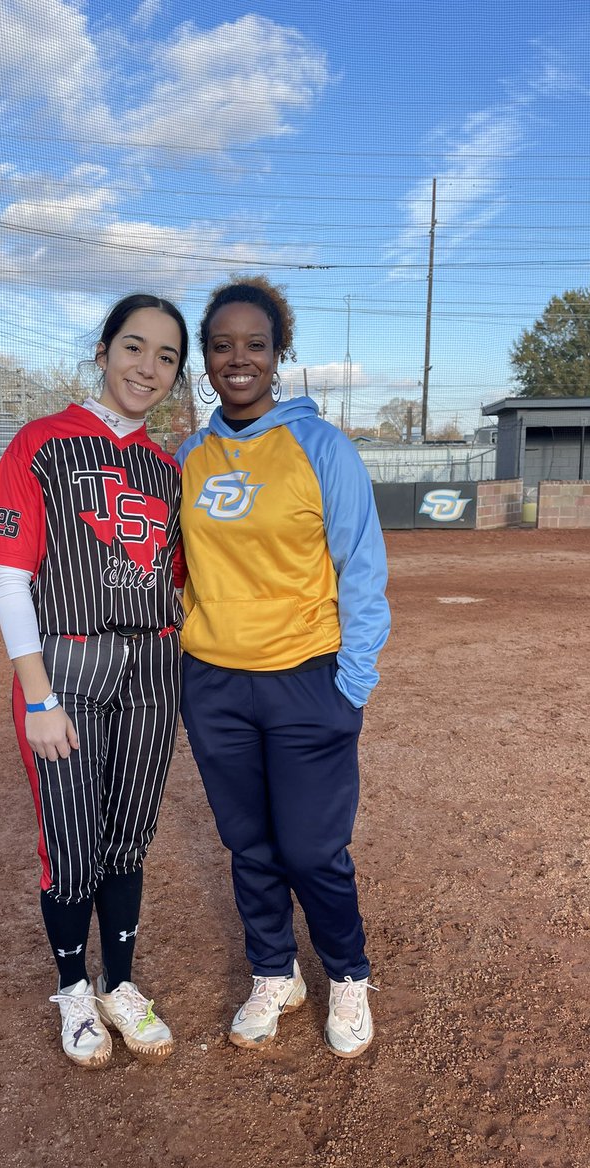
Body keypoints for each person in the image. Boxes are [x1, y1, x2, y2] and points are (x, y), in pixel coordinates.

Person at [0, 294, 189, 1069]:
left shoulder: (168, 469)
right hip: (66, 662)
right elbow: (7, 578)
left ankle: (120, 984)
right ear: (103, 350)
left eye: (166, 357)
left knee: (128, 840)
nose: (148, 367)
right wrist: (36, 697)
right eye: (135, 347)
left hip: (154, 669)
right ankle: (72, 988)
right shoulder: (40, 442)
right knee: (71, 844)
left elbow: (182, 580)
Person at [176, 276, 390, 1059]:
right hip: (215, 685)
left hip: (307, 680)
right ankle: (275, 972)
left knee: (310, 849)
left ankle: (349, 974)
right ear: (205, 358)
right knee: (250, 845)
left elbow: (361, 568)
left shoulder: (322, 447)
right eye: (222, 345)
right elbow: (175, 569)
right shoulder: (189, 458)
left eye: (255, 346)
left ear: (278, 355)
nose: (239, 359)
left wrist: (352, 683)